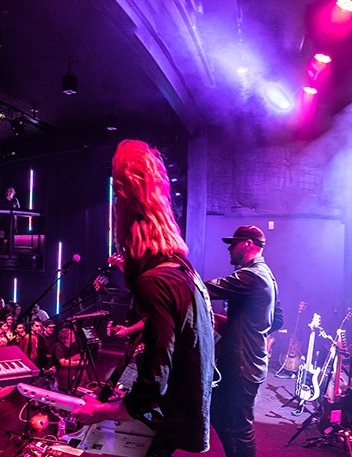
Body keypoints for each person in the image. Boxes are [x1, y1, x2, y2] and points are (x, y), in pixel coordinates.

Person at [72, 139, 215, 457]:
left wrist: (99, 411)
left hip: (168, 418)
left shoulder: (156, 282)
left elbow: (152, 386)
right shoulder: (181, 270)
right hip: (181, 414)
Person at [203, 225, 278, 457]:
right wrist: (238, 326)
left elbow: (203, 290)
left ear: (247, 243)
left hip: (242, 368)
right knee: (218, 414)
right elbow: (278, 320)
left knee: (238, 427)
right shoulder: (267, 275)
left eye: (233, 243)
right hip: (245, 364)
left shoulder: (252, 276)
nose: (229, 249)